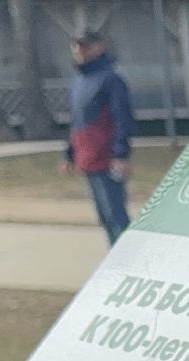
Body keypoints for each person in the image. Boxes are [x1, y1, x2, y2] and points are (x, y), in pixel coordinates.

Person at [62, 31, 136, 245]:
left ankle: (126, 265)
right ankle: (114, 262)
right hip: (88, 158)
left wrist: (121, 155)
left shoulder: (111, 80)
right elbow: (76, 121)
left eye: (85, 46)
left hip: (108, 159)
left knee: (116, 217)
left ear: (98, 47)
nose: (79, 51)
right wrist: (69, 154)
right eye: (76, 46)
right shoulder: (78, 82)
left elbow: (122, 118)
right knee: (104, 217)